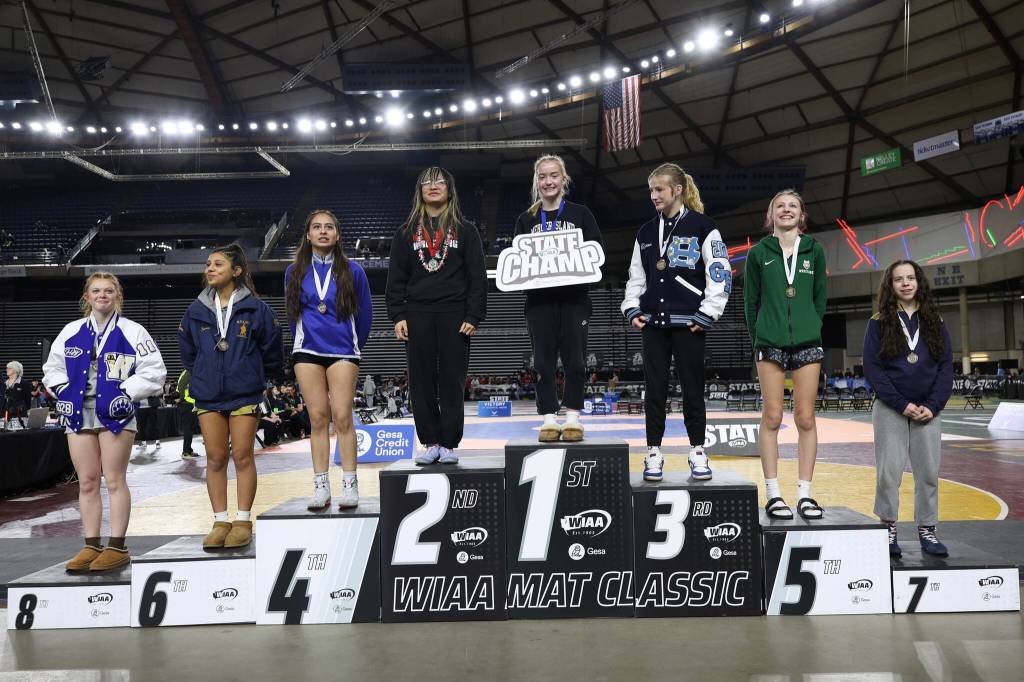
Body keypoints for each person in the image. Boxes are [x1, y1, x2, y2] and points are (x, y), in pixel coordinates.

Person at [43, 272, 166, 571]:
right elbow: (52, 368)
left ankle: (117, 546)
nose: (102, 295)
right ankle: (90, 544)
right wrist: (62, 390)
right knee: (86, 481)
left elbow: (155, 371)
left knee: (114, 480)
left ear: (117, 296)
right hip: (77, 413)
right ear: (87, 296)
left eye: (109, 291)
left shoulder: (133, 331)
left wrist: (126, 392)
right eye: (96, 290)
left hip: (116, 413)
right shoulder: (71, 330)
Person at [621, 163, 730, 482]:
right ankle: (653, 452)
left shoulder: (703, 226)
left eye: (659, 190)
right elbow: (636, 277)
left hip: (689, 323)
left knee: (693, 390)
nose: (653, 195)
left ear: (677, 190)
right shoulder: (644, 232)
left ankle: (697, 450)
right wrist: (631, 307)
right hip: (653, 323)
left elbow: (720, 271)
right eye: (651, 190)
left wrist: (709, 311)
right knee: (653, 391)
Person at [178, 244, 282, 549]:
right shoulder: (195, 310)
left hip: (244, 392)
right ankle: (220, 520)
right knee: (215, 457)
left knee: (242, 455)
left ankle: (243, 519)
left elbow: (272, 348)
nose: (210, 268)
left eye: (218, 264)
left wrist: (253, 373)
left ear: (236, 272)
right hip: (208, 393)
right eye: (208, 264)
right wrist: (203, 373)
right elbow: (187, 351)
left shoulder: (256, 309)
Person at [386, 166, 486, 465]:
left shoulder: (466, 230)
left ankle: (449, 443)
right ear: (419, 191)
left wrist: (474, 314)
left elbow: (477, 277)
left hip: (455, 313)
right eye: (426, 182)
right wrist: (397, 314)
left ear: (450, 189)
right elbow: (396, 278)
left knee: (453, 380)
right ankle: (429, 441)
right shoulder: (405, 232)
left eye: (439, 181)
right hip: (417, 312)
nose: (433, 186)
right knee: (420, 380)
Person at [744, 190, 827, 520]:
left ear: (802, 215)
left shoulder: (814, 251)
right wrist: (760, 336)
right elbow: (751, 303)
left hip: (807, 340)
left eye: (793, 205)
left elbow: (820, 299)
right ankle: (774, 494)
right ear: (771, 214)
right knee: (773, 417)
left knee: (805, 417)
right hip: (770, 342)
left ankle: (805, 495)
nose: (787, 210)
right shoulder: (758, 253)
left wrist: (810, 326)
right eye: (780, 205)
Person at [863, 260, 953, 556]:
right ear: (890, 286)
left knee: (928, 472)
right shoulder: (878, 322)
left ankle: (927, 530)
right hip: (891, 408)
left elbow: (945, 366)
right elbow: (873, 369)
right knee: (889, 472)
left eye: (910, 278)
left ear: (919, 282)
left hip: (929, 410)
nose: (905, 283)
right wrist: (902, 404)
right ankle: (888, 529)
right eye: (899, 279)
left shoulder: (934, 320)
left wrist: (933, 404)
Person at [285, 209, 372, 510]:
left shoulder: (353, 270)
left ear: (337, 234)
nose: (323, 232)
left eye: (329, 227)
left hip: (343, 351)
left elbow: (366, 316)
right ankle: (321, 487)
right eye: (317, 227)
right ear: (308, 235)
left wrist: (352, 344)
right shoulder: (294, 271)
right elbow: (292, 312)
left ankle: (350, 485)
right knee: (318, 418)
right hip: (307, 350)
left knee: (343, 416)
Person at [514, 154, 602, 442]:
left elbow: (596, 254)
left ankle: (574, 416)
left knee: (576, 360)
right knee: (542, 362)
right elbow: (518, 261)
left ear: (564, 179)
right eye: (542, 176)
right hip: (539, 302)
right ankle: (549, 417)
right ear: (536, 182)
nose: (548, 181)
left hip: (575, 299)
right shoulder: (525, 219)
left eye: (554, 175)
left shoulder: (581, 214)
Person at [175, 369, 199, 459]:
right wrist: (181, 399)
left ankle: (188, 449)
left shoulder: (188, 372)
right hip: (186, 404)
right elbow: (181, 386)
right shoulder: (189, 371)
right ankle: (185, 452)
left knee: (190, 428)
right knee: (188, 429)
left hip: (189, 404)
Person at [4, 361, 32, 428]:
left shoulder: (24, 384)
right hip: (5, 416)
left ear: (15, 369)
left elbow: (28, 401)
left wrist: (21, 408)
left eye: (9, 368)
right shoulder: (4, 384)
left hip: (20, 416)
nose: (6, 369)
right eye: (7, 368)